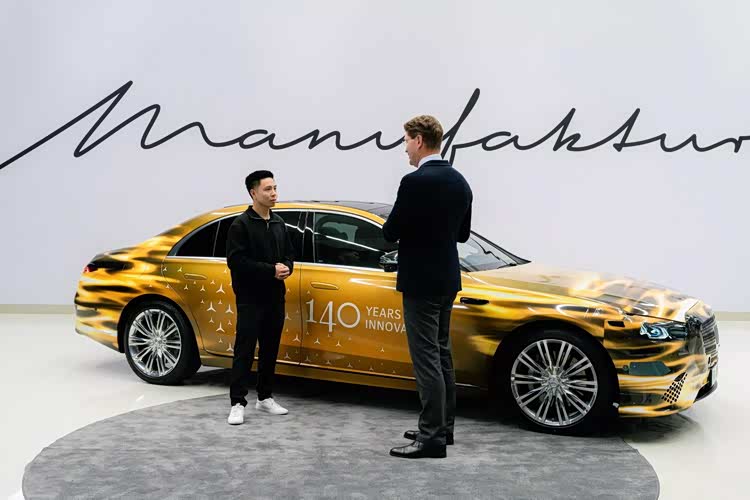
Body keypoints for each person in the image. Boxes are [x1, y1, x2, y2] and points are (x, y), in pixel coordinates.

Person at [383, 115, 473, 458]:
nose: (405, 148)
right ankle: (443, 428)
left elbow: (390, 232)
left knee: (426, 359)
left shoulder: (414, 182)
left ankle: (431, 437)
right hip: (447, 278)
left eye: (406, 141)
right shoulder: (460, 181)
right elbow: (462, 234)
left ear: (419, 140)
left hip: (420, 280)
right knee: (441, 353)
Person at [226, 170, 294, 425]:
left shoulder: (278, 223)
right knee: (244, 350)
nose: (274, 193)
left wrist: (287, 268)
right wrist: (270, 270)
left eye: (275, 188)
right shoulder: (240, 225)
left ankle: (265, 397)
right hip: (250, 299)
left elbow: (288, 255)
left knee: (270, 349)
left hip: (275, 297)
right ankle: (237, 403)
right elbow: (236, 262)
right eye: (268, 189)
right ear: (253, 193)